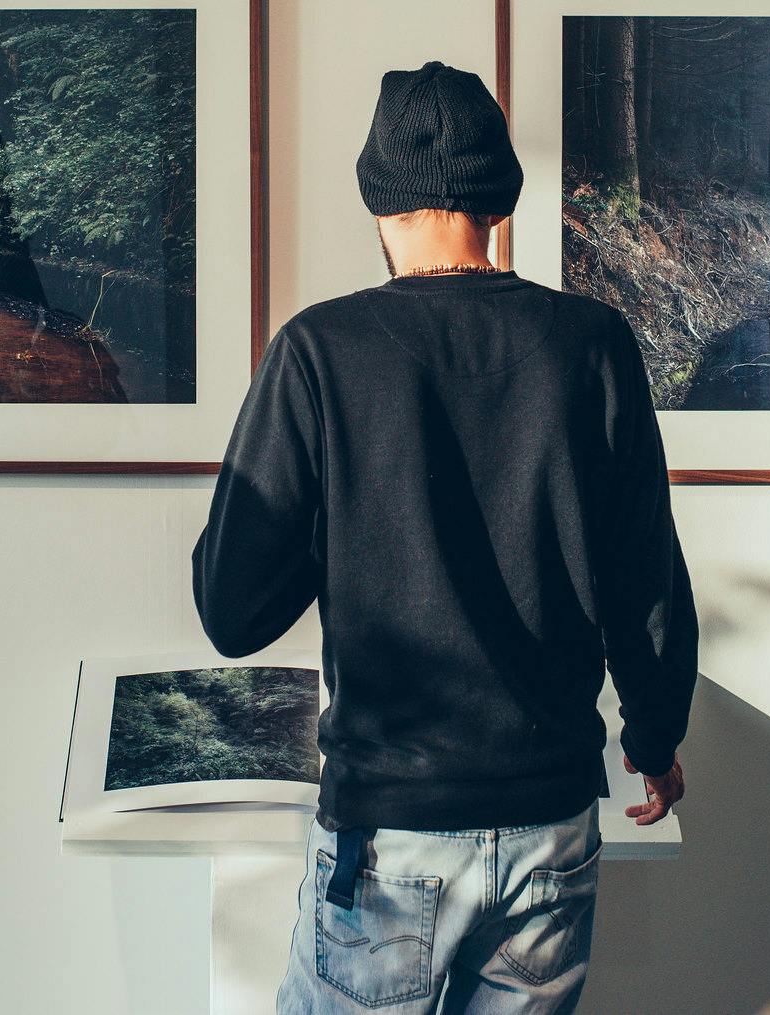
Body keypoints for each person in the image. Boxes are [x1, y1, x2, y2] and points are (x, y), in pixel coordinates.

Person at [191, 61, 699, 1013]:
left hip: (392, 834)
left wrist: (344, 505)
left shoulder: (320, 351)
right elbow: (645, 577)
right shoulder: (593, 343)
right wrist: (655, 736)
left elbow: (232, 611)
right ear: (498, 199)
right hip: (552, 821)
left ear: (379, 200)